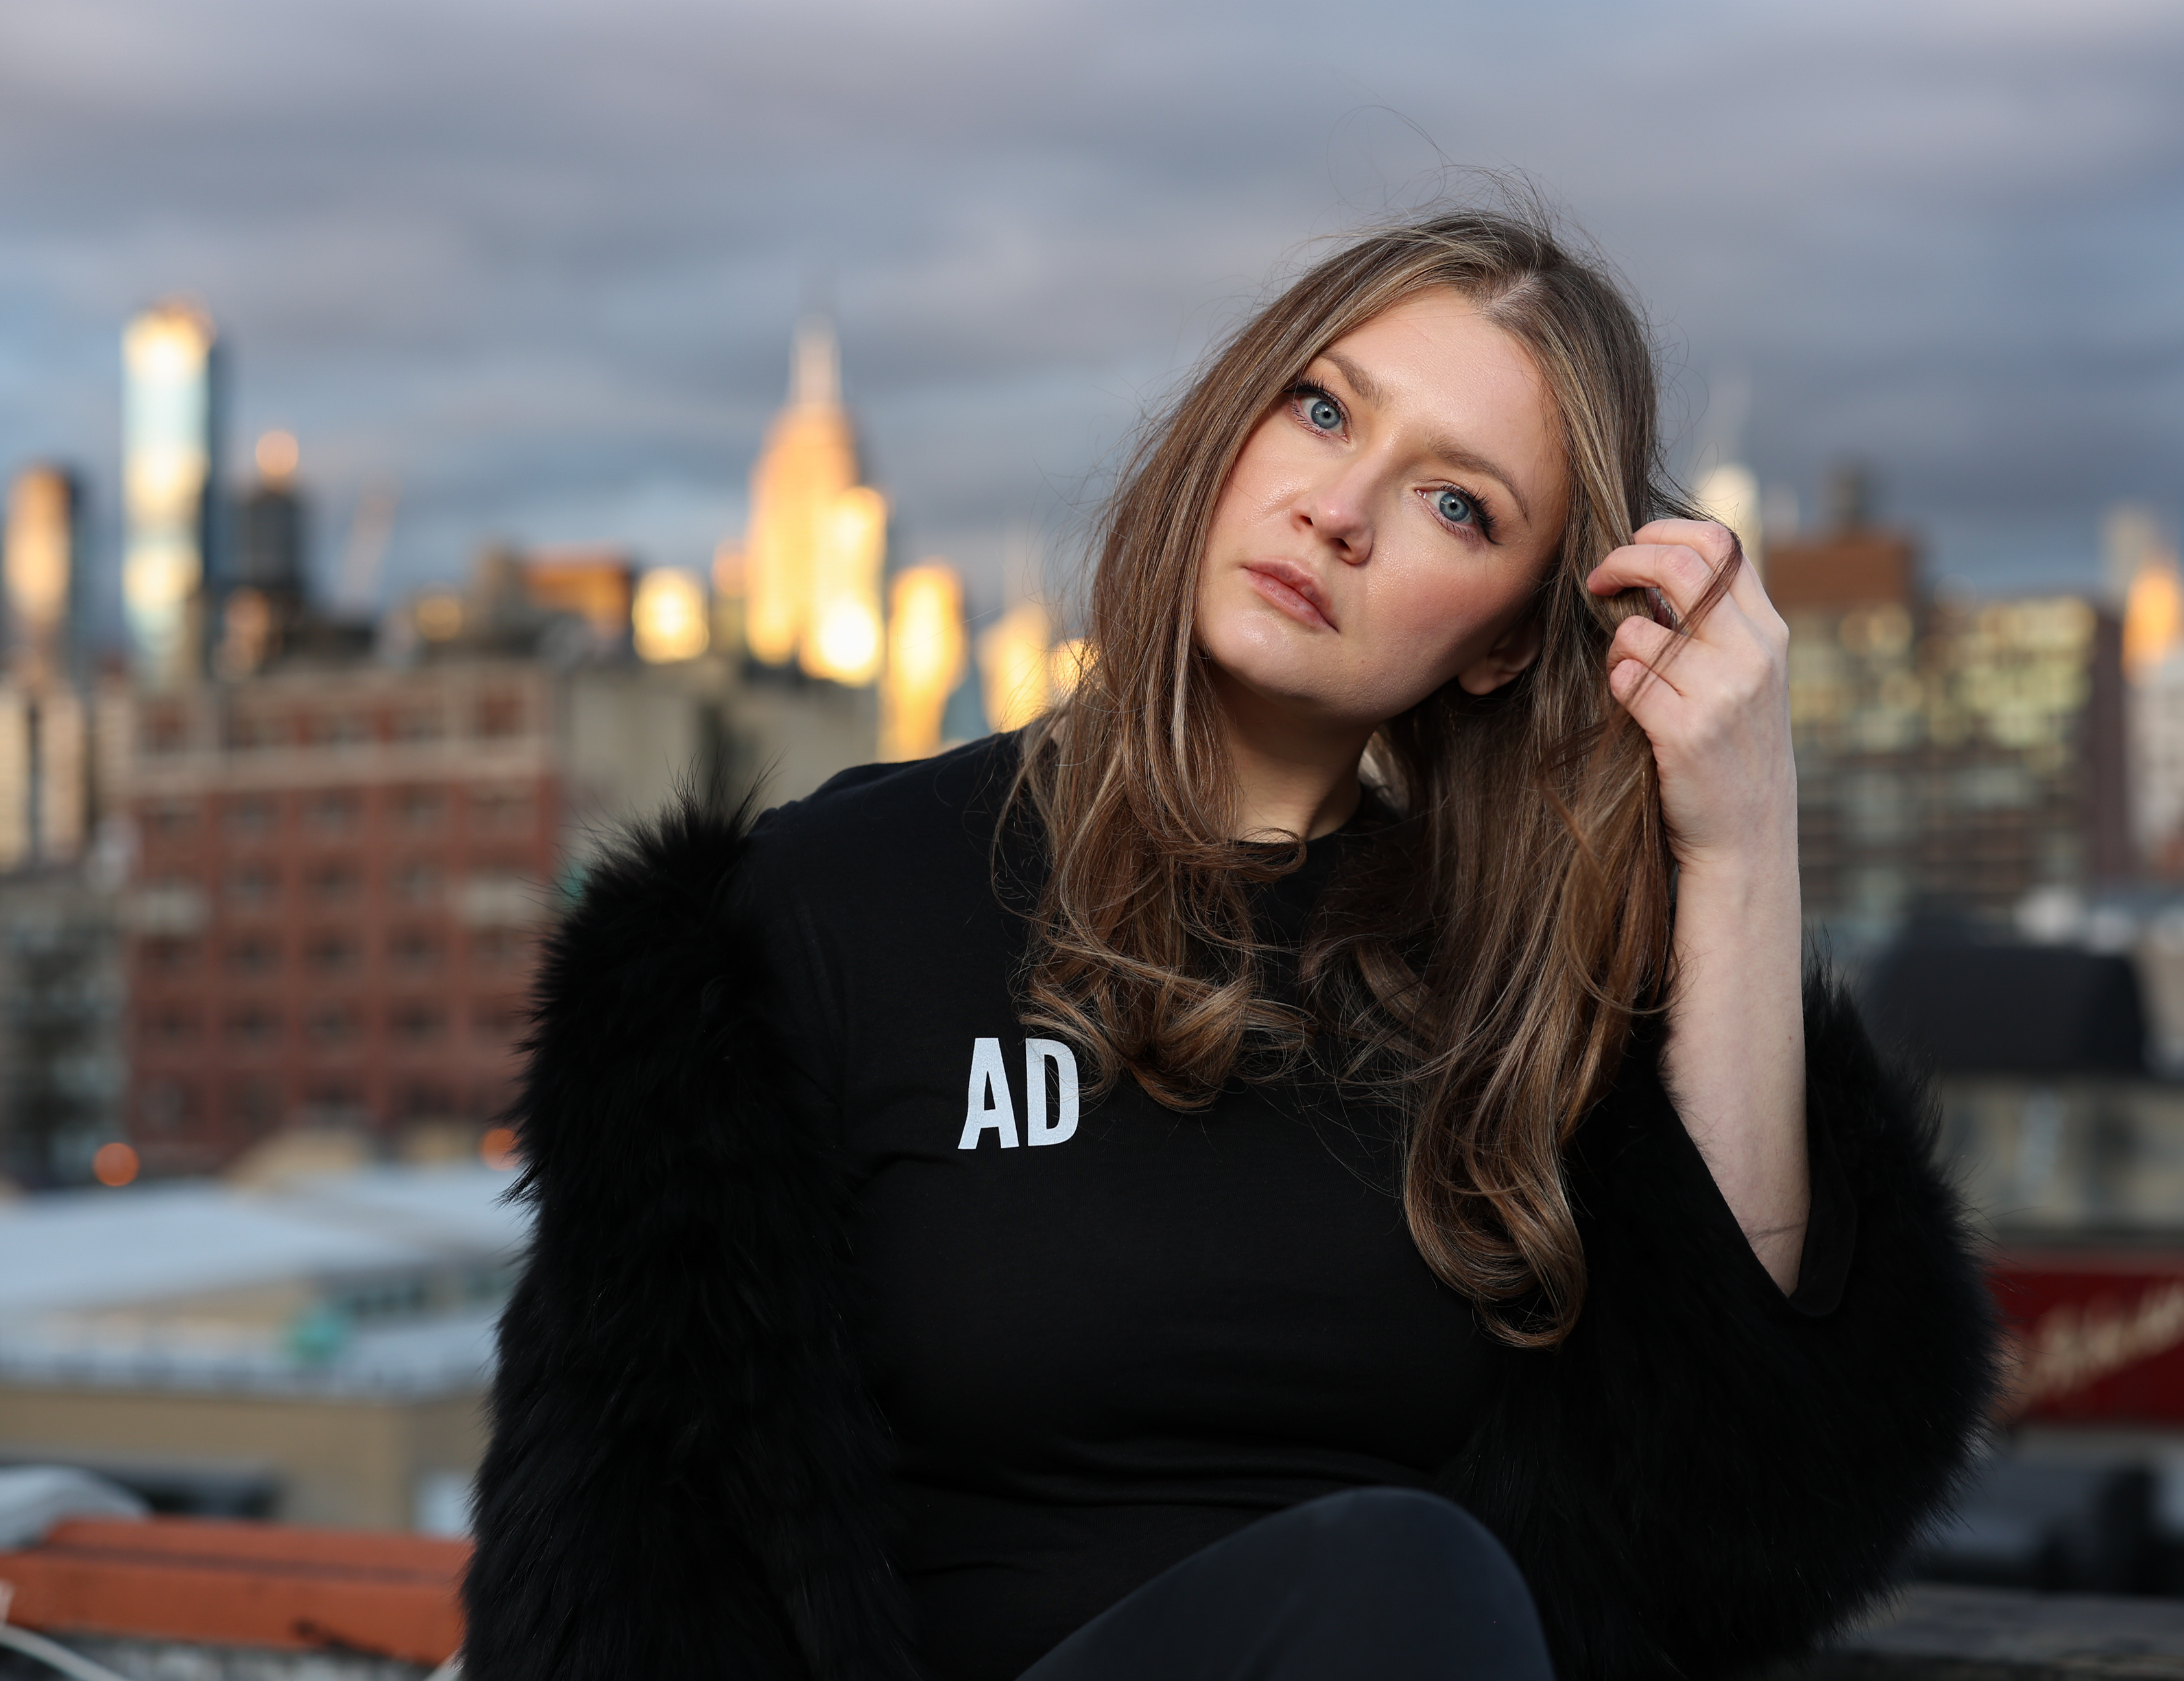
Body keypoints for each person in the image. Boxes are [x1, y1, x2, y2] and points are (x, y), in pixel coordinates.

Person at [462, 207, 1995, 1681]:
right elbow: (617, 1563)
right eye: (1324, 411)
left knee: (1406, 1585)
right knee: (1401, 1575)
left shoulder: (1521, 1001)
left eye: (1456, 503)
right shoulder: (822, 910)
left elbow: (1748, 1525)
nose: (1339, 509)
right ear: (1230, 425)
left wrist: (1736, 842)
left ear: (1510, 641)